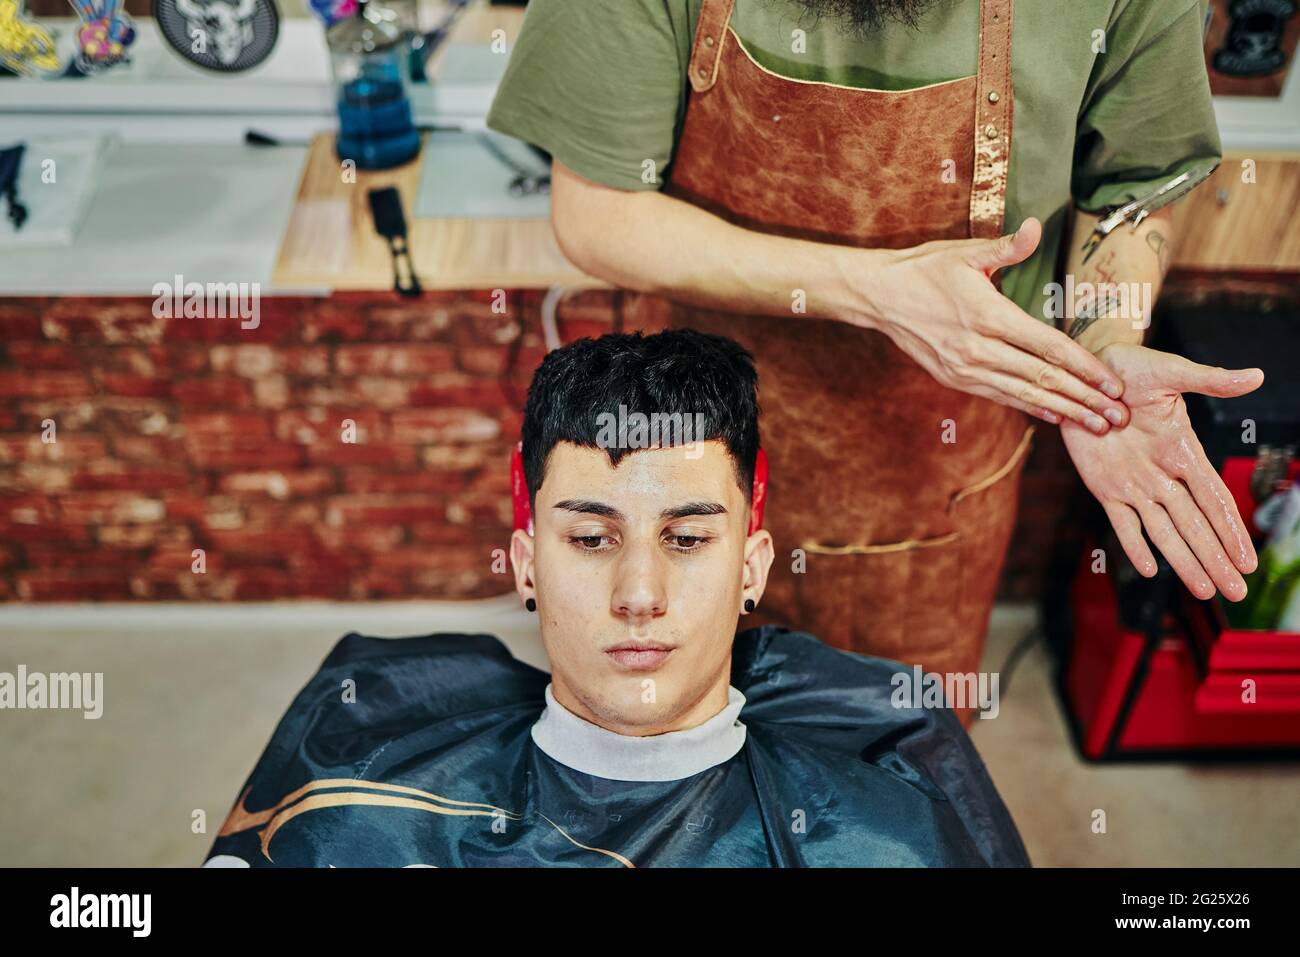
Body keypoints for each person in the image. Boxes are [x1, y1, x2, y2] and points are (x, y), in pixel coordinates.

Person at [484, 0, 1264, 690]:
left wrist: (1105, 341)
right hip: (689, 442)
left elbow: (1128, 190)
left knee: (895, 764)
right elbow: (597, 213)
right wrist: (877, 292)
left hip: (938, 473)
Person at [203, 330, 1029, 867]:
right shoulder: (356, 792)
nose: (639, 594)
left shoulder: (887, 834)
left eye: (688, 538)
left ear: (753, 566)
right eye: (592, 540)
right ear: (527, 566)